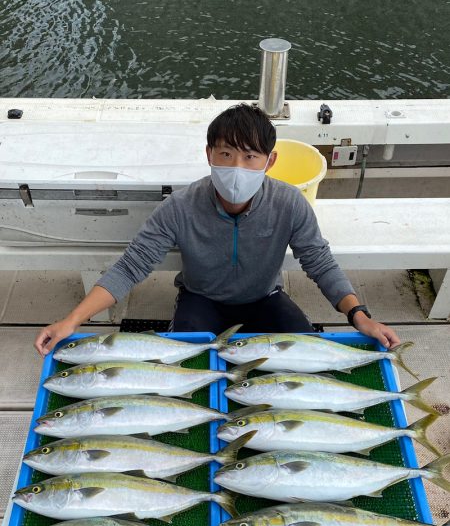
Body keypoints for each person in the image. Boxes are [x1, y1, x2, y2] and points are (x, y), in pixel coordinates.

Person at [34, 103, 400, 356]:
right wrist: (71, 320)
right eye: (226, 155)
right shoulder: (179, 207)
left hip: (265, 298)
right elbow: (131, 267)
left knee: (304, 351)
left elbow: (319, 262)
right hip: (201, 300)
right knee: (186, 361)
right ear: (209, 154)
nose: (236, 167)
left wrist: (359, 316)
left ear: (269, 161)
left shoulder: (290, 203)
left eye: (250, 157)